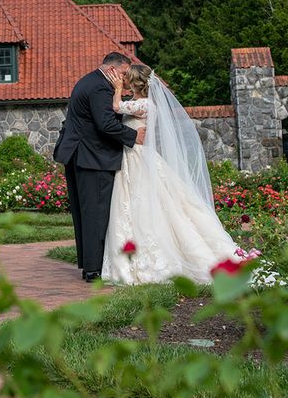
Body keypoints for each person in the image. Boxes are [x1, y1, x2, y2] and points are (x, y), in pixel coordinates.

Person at [102, 64, 239, 284]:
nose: (125, 82)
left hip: (137, 156)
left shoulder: (144, 104)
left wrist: (117, 88)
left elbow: (117, 108)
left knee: (142, 202)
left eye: (128, 79)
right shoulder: (146, 104)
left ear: (136, 84)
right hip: (137, 154)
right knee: (142, 202)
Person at [53, 52, 146, 282]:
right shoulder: (100, 88)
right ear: (113, 69)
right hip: (92, 158)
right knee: (95, 212)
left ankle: (90, 264)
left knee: (87, 212)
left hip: (82, 154)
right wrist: (134, 136)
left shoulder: (90, 80)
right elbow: (105, 124)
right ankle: (93, 270)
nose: (125, 80)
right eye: (123, 74)